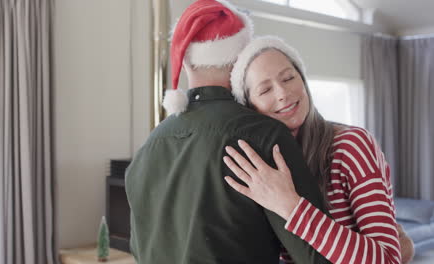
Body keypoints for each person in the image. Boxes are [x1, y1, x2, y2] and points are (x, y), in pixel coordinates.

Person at [125, 1, 331, 263]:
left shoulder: (148, 148)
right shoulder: (266, 137)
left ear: (186, 63)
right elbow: (317, 257)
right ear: (242, 59)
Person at [224, 35, 412, 263]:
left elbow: (389, 260)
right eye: (265, 90)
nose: (282, 93)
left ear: (303, 80)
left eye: (288, 78)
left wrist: (291, 206)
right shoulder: (261, 171)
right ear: (249, 106)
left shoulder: (352, 146)